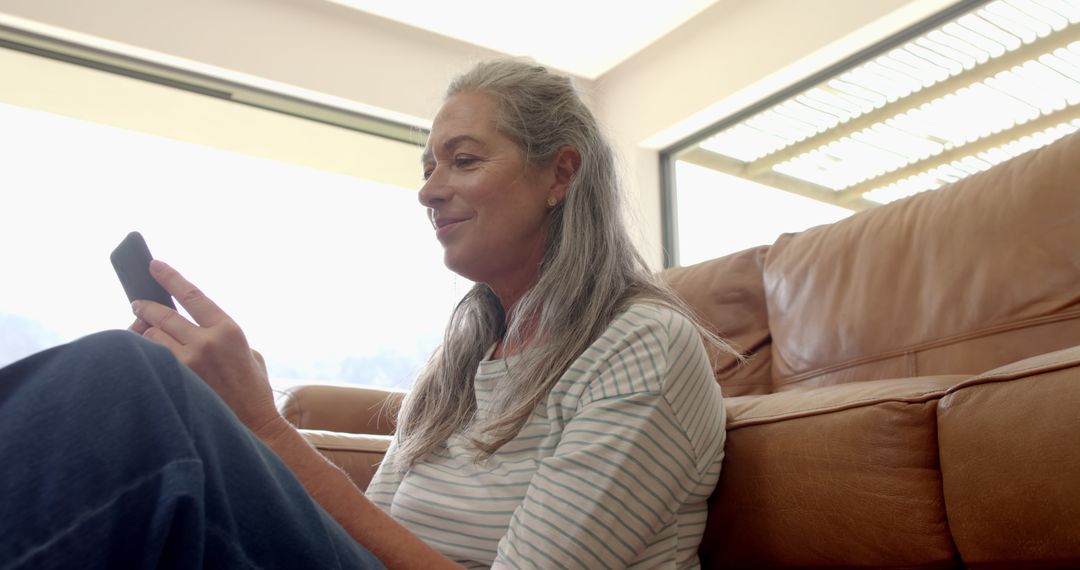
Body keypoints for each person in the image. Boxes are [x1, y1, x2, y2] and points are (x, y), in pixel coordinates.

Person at [0, 58, 731, 569]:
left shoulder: (642, 345)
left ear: (560, 174)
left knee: (125, 378)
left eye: (463, 160)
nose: (428, 190)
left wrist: (263, 427)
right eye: (427, 166)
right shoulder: (463, 362)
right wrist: (234, 421)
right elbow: (366, 533)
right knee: (144, 393)